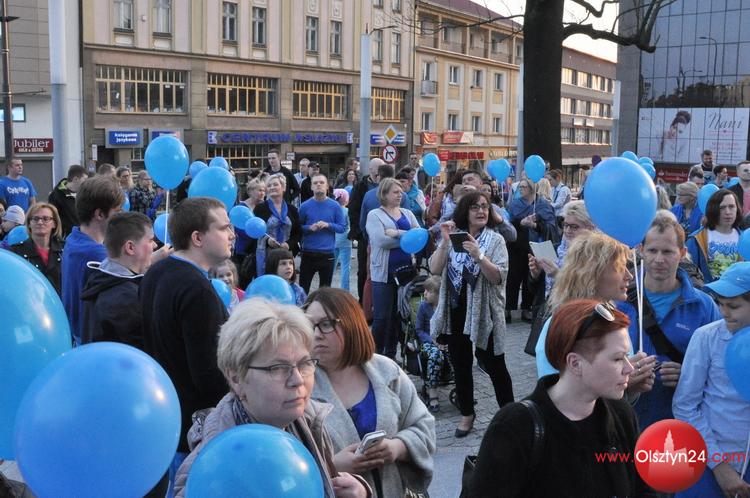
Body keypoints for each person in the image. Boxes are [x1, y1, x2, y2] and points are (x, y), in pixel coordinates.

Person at [173, 298, 370, 498]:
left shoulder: (307, 418)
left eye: (304, 363)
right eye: (278, 368)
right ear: (236, 378)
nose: (297, 380)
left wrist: (359, 490)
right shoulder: (211, 467)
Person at [468, 299, 648, 498]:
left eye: (627, 356)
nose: (629, 368)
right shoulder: (516, 426)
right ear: (575, 363)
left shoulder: (621, 414)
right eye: (617, 358)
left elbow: (643, 488)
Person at [140, 197, 235, 494]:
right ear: (197, 238)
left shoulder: (157, 271)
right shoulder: (196, 289)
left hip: (164, 418)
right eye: (224, 227)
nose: (232, 234)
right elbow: (208, 375)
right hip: (191, 431)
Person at [305, 288, 435, 498]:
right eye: (310, 325)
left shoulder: (386, 371)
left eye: (326, 324)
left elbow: (424, 427)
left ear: (351, 324)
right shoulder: (301, 387)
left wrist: (398, 447)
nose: (316, 334)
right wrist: (332, 466)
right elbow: (290, 463)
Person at [618, 211, 720, 429]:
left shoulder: (703, 306)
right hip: (626, 425)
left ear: (682, 253)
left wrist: (689, 376)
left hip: (680, 427)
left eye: (667, 252)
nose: (659, 259)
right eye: (652, 250)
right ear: (641, 250)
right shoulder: (619, 301)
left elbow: (720, 371)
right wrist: (624, 377)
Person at [534, 232, 658, 401]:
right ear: (592, 274)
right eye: (619, 268)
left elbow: (618, 401)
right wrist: (624, 383)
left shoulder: (611, 318)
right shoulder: (560, 326)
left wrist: (631, 388)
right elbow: (560, 401)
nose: (628, 276)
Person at [430, 191, 513, 437]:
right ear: (464, 211)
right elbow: (434, 269)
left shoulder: (495, 240)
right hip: (457, 309)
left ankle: (509, 414)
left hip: (485, 312)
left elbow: (498, 277)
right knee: (461, 364)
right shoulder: (454, 237)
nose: (481, 211)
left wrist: (479, 256)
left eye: (485, 206)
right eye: (475, 207)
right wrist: (444, 241)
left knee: (495, 364)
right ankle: (467, 413)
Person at [673, 262, 750, 498]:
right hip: (709, 461)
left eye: (733, 306)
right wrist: (718, 464)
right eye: (720, 303)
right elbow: (684, 405)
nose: (724, 312)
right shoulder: (706, 337)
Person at [62, 175, 125, 345]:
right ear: (99, 214)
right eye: (118, 211)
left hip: (75, 335)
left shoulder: (74, 238)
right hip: (88, 341)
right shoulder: (96, 254)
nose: (121, 216)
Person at [80, 211, 155, 348]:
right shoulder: (127, 299)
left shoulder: (98, 279)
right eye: (150, 240)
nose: (155, 245)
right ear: (130, 247)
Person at [366, 178, 420, 358]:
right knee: (382, 317)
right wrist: (407, 239)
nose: (400, 195)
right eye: (395, 192)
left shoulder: (407, 213)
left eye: (401, 192)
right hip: (384, 273)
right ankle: (375, 355)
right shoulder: (374, 215)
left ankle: (391, 355)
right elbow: (381, 241)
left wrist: (396, 233)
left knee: (399, 317)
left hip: (406, 272)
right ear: (384, 194)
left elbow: (419, 236)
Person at [506, 178, 558, 323]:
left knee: (531, 275)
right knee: (513, 277)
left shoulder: (543, 205)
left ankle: (526, 308)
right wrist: (520, 223)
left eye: (523, 187)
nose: (520, 189)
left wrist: (535, 225)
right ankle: (508, 308)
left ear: (531, 188)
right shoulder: (515, 204)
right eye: (519, 187)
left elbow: (551, 227)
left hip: (536, 245)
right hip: (516, 245)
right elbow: (508, 224)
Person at [528, 200, 595, 300]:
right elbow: (536, 292)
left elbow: (588, 295)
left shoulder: (595, 257)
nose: (568, 230)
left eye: (574, 227)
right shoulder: (555, 249)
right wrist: (535, 275)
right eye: (565, 225)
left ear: (590, 228)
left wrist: (558, 275)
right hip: (547, 308)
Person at [299, 173, 347, 293]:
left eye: (321, 182)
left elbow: (342, 227)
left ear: (327, 186)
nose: (318, 185)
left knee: (325, 292)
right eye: (315, 183)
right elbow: (298, 228)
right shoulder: (304, 206)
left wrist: (328, 225)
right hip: (308, 252)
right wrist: (309, 228)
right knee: (303, 289)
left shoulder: (335, 206)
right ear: (311, 187)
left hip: (327, 253)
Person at [686, 188, 742, 284]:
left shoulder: (745, 238)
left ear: (737, 209)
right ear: (713, 209)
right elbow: (689, 274)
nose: (728, 212)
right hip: (707, 291)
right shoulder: (696, 239)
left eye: (731, 206)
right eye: (722, 207)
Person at [9, 202, 65, 295]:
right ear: (29, 223)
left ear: (54, 224)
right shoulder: (15, 252)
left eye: (45, 219)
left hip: (61, 303)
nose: (40, 222)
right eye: (35, 219)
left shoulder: (66, 250)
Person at [349, 158, 384, 301]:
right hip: (365, 236)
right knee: (363, 270)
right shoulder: (360, 187)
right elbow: (353, 210)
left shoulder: (387, 185)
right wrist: (359, 233)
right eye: (377, 168)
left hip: (383, 235)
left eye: (382, 168)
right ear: (370, 169)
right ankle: (363, 301)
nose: (380, 172)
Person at [254, 173, 302, 276]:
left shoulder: (292, 210)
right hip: (267, 256)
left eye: (275, 184)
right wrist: (268, 241)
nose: (272, 187)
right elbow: (255, 231)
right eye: (269, 185)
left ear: (283, 187)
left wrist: (289, 244)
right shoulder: (260, 208)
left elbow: (298, 233)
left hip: (286, 255)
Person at [415, 275, 450, 413]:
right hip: (428, 342)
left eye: (428, 291)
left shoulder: (445, 307)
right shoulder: (423, 307)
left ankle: (461, 387)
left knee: (458, 353)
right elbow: (419, 330)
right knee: (436, 354)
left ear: (438, 295)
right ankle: (432, 390)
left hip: (444, 340)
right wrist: (432, 341)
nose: (424, 294)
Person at [232, 178, 266, 285]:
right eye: (259, 190)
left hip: (261, 250)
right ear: (250, 191)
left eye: (264, 190)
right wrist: (255, 234)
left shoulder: (265, 207)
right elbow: (238, 228)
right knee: (243, 281)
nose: (262, 193)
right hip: (244, 250)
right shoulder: (241, 208)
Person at [48, 164, 87, 238]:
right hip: (66, 237)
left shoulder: (85, 194)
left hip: (83, 235)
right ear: (75, 179)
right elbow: (53, 217)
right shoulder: (56, 196)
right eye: (84, 180)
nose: (86, 183)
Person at [333, 188, 352, 292]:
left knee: (332, 265)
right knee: (345, 266)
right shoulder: (347, 211)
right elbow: (350, 225)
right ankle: (345, 290)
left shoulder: (333, 211)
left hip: (334, 239)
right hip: (345, 239)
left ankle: (327, 286)